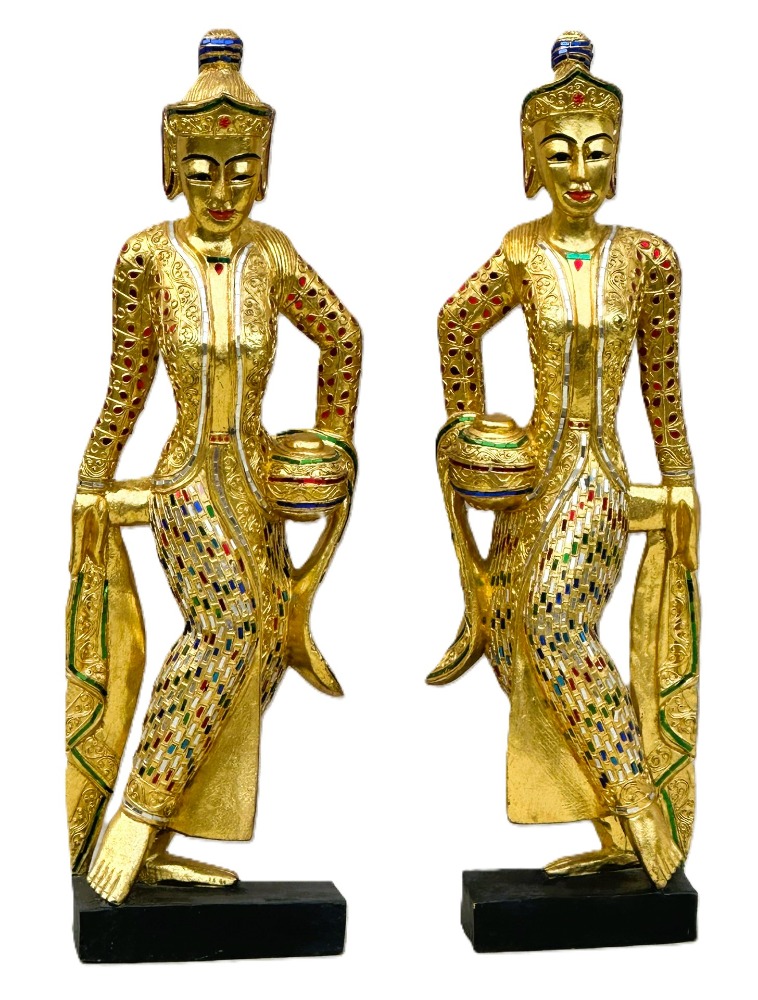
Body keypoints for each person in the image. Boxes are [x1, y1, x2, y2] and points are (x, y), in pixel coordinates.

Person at [66, 29, 361, 904]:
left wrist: (329, 445)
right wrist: (92, 482)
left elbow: (343, 338)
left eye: (240, 172)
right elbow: (125, 386)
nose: (223, 192)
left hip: (256, 482)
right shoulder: (146, 259)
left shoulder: (272, 255)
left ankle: (162, 837)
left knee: (261, 650)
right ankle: (135, 819)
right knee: (228, 627)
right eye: (202, 172)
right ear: (173, 166)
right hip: (187, 480)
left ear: (263, 170)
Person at [429, 32, 699, 888]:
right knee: (513, 640)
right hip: (531, 478)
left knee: (554, 626)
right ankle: (612, 822)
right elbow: (455, 324)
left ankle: (641, 810)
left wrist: (680, 478)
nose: (579, 171)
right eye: (560, 153)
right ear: (532, 160)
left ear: (617, 157)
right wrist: (472, 431)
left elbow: (662, 383)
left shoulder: (648, 260)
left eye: (596, 151)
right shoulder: (521, 251)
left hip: (597, 475)